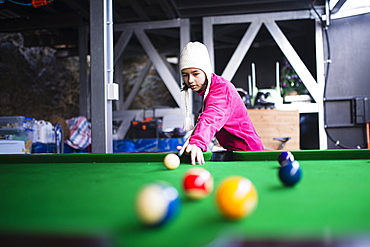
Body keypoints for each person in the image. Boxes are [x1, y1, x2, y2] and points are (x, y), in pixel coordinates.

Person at [177, 41, 264, 165]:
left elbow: (211, 117)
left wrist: (197, 142)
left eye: (195, 73)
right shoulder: (208, 91)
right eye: (185, 75)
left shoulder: (222, 88)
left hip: (248, 154)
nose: (190, 80)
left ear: (206, 71)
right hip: (234, 153)